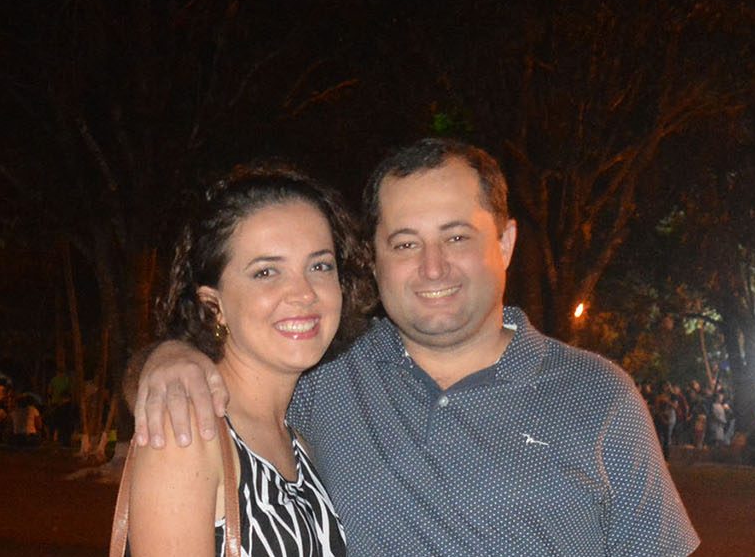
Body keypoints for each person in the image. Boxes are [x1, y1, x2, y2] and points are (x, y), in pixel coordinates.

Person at [132, 138, 700, 555]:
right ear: (374, 258)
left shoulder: (598, 395)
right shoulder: (328, 376)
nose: (433, 267)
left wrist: (170, 360)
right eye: (406, 243)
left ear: (505, 243)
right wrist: (165, 360)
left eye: (456, 236)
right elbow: (205, 400)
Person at [122, 164, 366, 556]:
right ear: (213, 305)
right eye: (266, 272)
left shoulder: (299, 442)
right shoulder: (188, 430)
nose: (304, 293)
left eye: (320, 266)